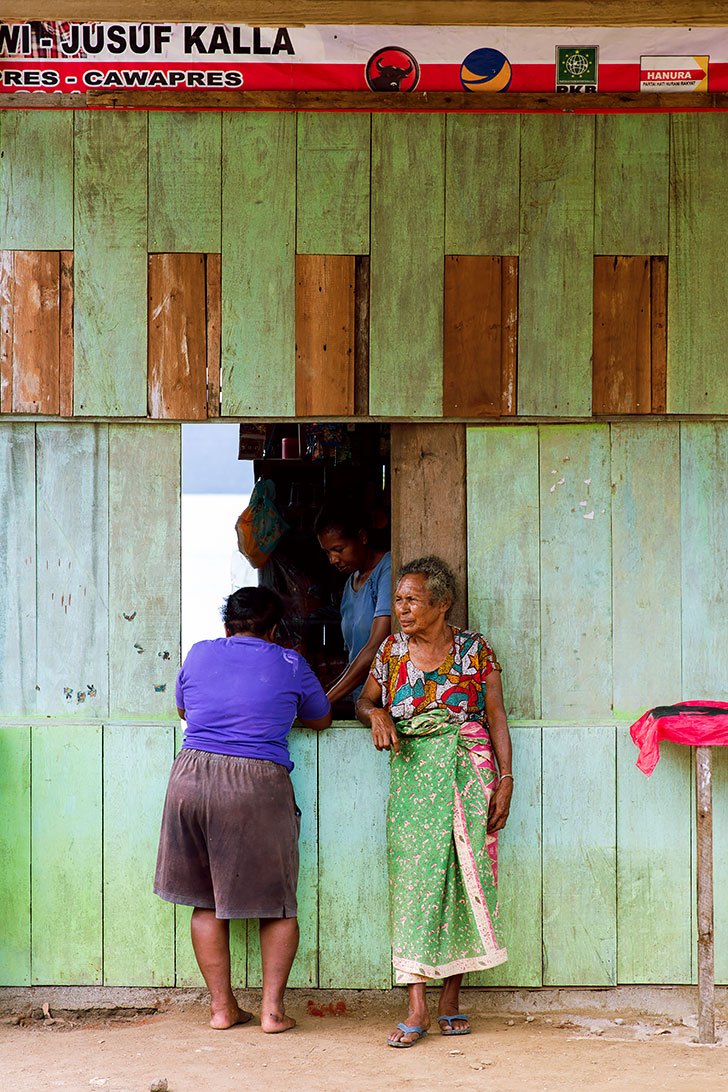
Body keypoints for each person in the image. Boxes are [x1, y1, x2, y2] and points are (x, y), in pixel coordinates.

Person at [154, 587, 332, 1033]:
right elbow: (320, 717)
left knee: (205, 901)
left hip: (189, 777)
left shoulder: (198, 654)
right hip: (255, 782)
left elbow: (182, 706)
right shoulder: (289, 662)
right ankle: (272, 1013)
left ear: (227, 626)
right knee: (277, 906)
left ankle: (221, 1009)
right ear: (274, 630)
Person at [356, 556, 513, 1047]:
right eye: (398, 600)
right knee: (414, 881)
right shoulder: (390, 653)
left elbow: (497, 717)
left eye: (411, 601)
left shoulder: (475, 650)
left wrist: (506, 779)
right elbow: (363, 701)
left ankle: (450, 1000)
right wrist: (376, 715)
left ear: (440, 604)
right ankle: (416, 1004)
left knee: (463, 878)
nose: (402, 609)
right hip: (413, 775)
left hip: (470, 771)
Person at [315, 504, 391, 706]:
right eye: (327, 552)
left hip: (383, 700)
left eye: (338, 549)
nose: (332, 559)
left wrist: (324, 701)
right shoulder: (351, 583)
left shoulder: (387, 569)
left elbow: (376, 647)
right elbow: (354, 658)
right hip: (361, 700)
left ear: (362, 537)